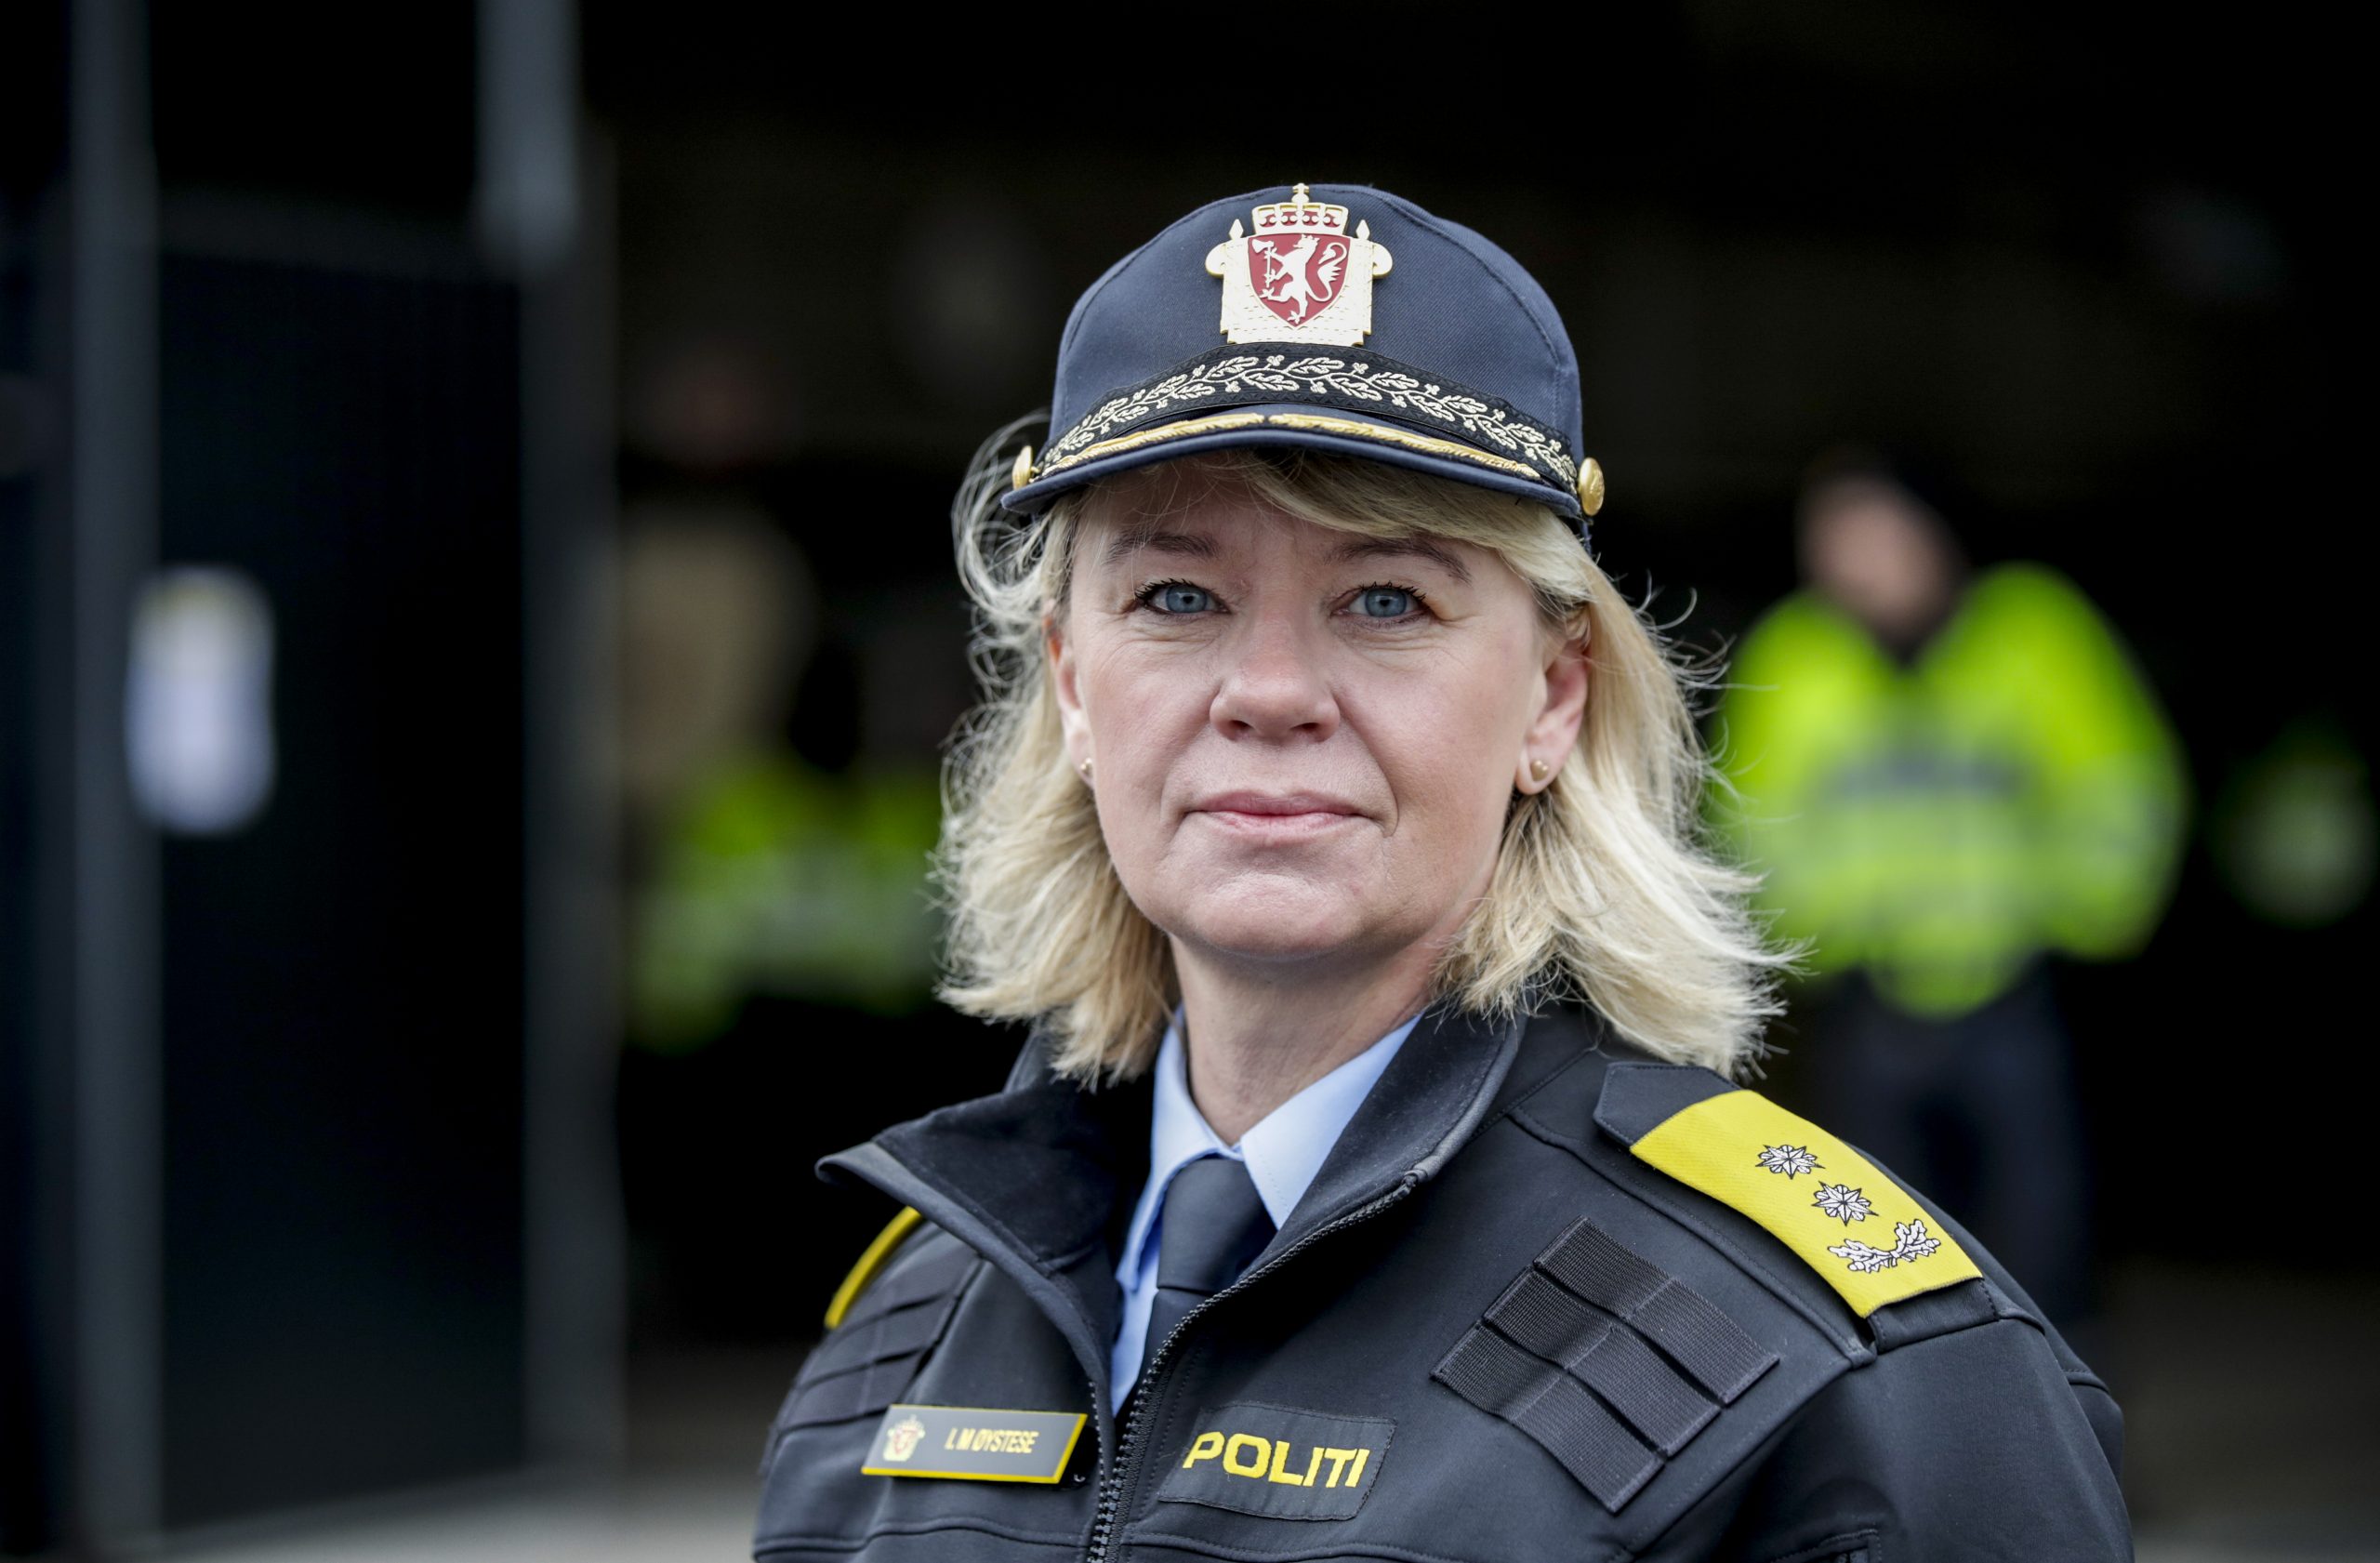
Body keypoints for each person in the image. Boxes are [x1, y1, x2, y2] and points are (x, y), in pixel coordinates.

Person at [754, 185, 2129, 1562]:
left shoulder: (1840, 1389)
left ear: (1552, 696)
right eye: (1177, 597)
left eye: (1386, 600)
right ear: (1069, 683)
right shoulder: (899, 1342)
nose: (1270, 691)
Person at [1713, 458, 2186, 1325]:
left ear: (1935, 532)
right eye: (1831, 541)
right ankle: (1920, 1410)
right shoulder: (1797, 650)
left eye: (1874, 535)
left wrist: (2082, 920)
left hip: (2023, 989)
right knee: (1878, 1250)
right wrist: (1809, 945)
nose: (1852, 564)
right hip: (1867, 1002)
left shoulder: (2035, 631)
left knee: (2044, 1240)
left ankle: (2055, 1406)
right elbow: (1749, 822)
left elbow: (2122, 788)